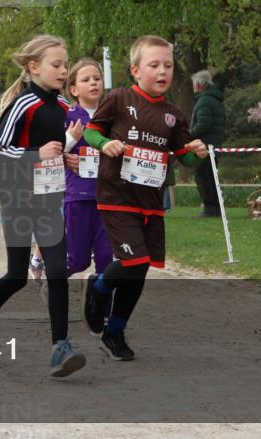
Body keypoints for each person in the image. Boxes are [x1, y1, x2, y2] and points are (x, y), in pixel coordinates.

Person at [0, 34, 86, 378]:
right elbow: (0, 151)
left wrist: (65, 158)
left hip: (49, 200)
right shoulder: (23, 103)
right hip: (19, 200)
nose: (64, 70)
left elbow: (53, 149)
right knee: (17, 275)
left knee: (58, 272)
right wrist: (37, 155)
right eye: (57, 65)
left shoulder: (63, 108)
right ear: (34, 67)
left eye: (66, 64)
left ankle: (60, 346)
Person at [81, 35, 207, 361]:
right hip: (116, 196)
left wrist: (197, 153)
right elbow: (91, 131)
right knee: (133, 261)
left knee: (140, 270)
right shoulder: (119, 98)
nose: (163, 71)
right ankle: (97, 289)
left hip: (151, 202)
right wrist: (103, 144)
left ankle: (114, 332)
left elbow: (184, 157)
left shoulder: (174, 115)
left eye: (168, 65)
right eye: (154, 65)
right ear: (136, 70)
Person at [61, 58, 111, 280]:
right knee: (78, 260)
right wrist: (67, 147)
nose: (93, 83)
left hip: (110, 197)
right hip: (78, 197)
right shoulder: (68, 117)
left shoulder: (112, 117)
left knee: (106, 259)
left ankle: (103, 310)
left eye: (97, 78)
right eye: (86, 79)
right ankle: (54, 280)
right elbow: (52, 151)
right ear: (74, 89)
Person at [189, 70, 225, 217]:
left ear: (198, 85)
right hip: (214, 145)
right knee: (212, 178)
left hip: (203, 146)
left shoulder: (204, 101)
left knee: (203, 177)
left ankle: (210, 209)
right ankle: (216, 209)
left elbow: (203, 123)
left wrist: (189, 136)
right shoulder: (216, 100)